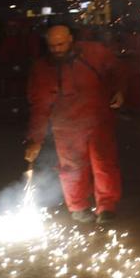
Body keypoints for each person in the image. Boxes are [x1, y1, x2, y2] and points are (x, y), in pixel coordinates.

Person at [24, 24, 124, 224]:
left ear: (71, 39)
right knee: (71, 168)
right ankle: (78, 206)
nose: (57, 50)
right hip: (66, 126)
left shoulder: (94, 52)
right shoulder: (43, 68)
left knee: (104, 164)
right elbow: (40, 107)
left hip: (98, 120)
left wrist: (120, 90)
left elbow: (116, 70)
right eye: (52, 46)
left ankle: (106, 206)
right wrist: (35, 139)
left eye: (60, 44)